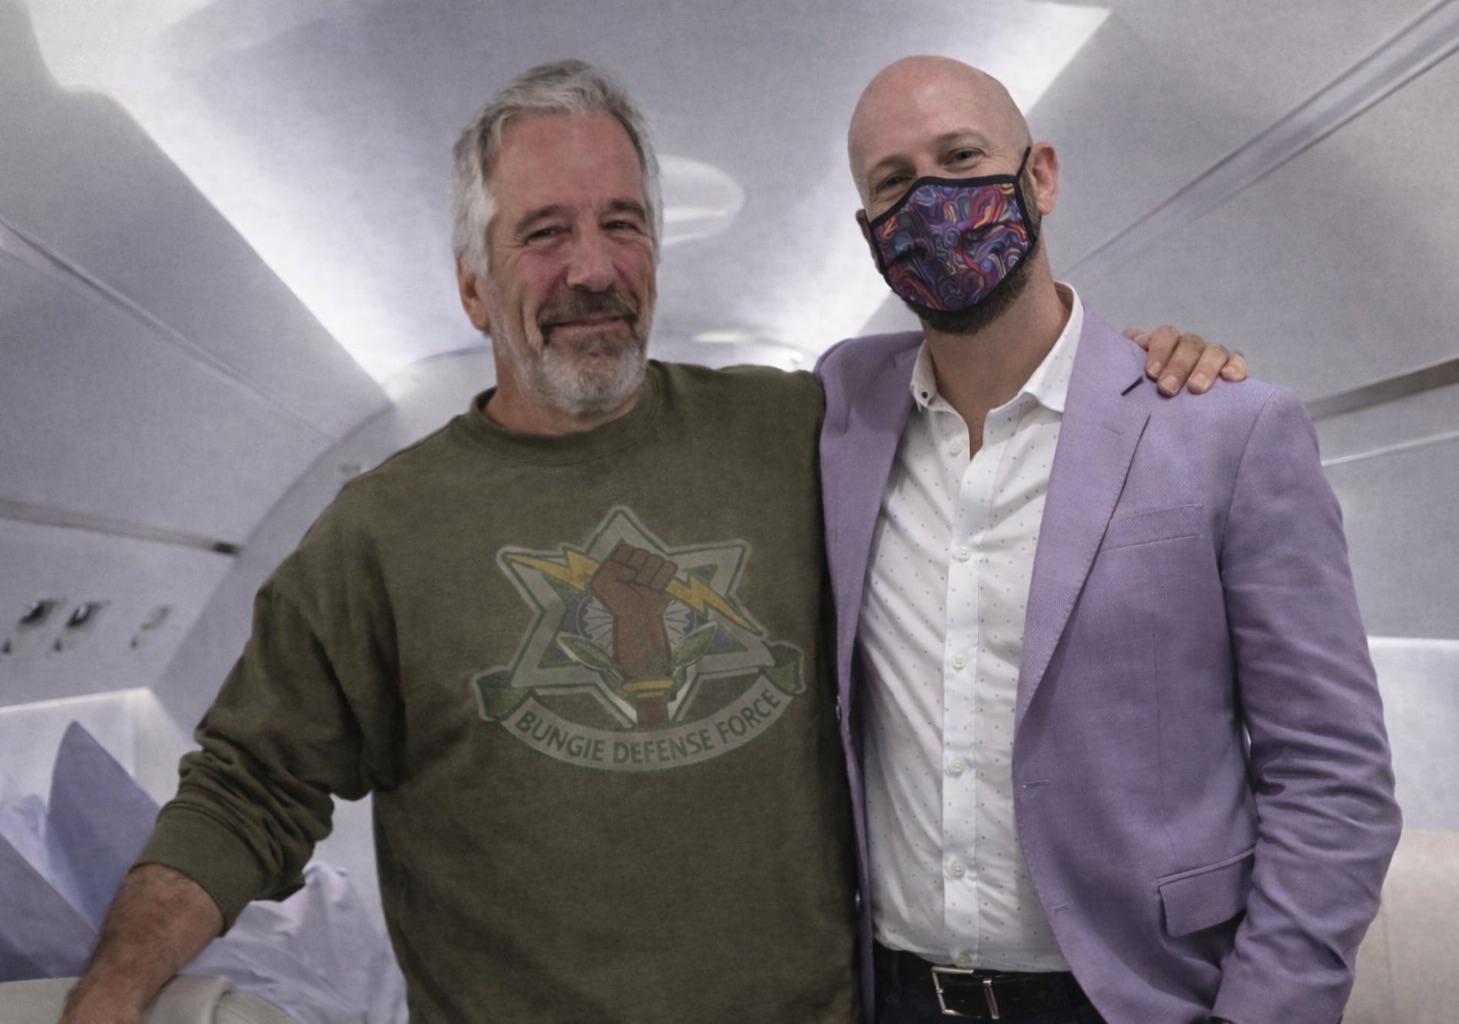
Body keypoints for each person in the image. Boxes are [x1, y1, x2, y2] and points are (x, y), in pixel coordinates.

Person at [59, 61, 1237, 1024]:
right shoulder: (381, 530)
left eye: (622, 225)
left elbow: (1003, 388)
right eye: (544, 233)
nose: (592, 269)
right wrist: (110, 990)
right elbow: (248, 790)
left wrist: (1142, 369)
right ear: (471, 287)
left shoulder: (808, 427)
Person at [816, 56, 1401, 1024]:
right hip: (898, 995)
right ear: (868, 229)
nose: (931, 200)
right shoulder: (839, 411)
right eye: (893, 181)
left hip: (1138, 996)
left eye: (960, 157)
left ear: (1040, 175)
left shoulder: (1223, 427)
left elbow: (1331, 775)